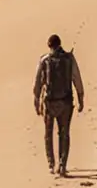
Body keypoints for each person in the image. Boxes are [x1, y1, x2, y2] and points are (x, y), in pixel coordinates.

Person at [33, 33, 85, 176]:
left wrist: (36, 100)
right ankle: (62, 165)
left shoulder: (44, 60)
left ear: (49, 45)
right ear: (60, 43)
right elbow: (77, 79)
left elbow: (38, 82)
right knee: (64, 133)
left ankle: (51, 164)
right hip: (66, 102)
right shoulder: (69, 58)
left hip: (50, 103)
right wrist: (81, 98)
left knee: (48, 133)